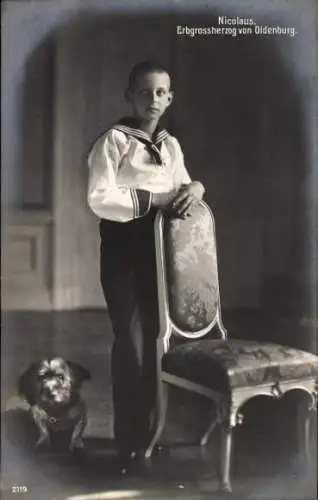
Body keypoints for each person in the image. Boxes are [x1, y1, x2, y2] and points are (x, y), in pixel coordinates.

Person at [87, 60, 205, 472]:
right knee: (132, 345)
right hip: (125, 251)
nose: (152, 100)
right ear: (129, 96)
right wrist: (152, 200)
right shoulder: (114, 141)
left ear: (169, 98)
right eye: (144, 92)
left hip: (162, 250)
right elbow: (100, 197)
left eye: (160, 93)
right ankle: (129, 444)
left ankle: (153, 437)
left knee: (160, 343)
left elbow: (184, 182)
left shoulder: (170, 145)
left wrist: (195, 186)